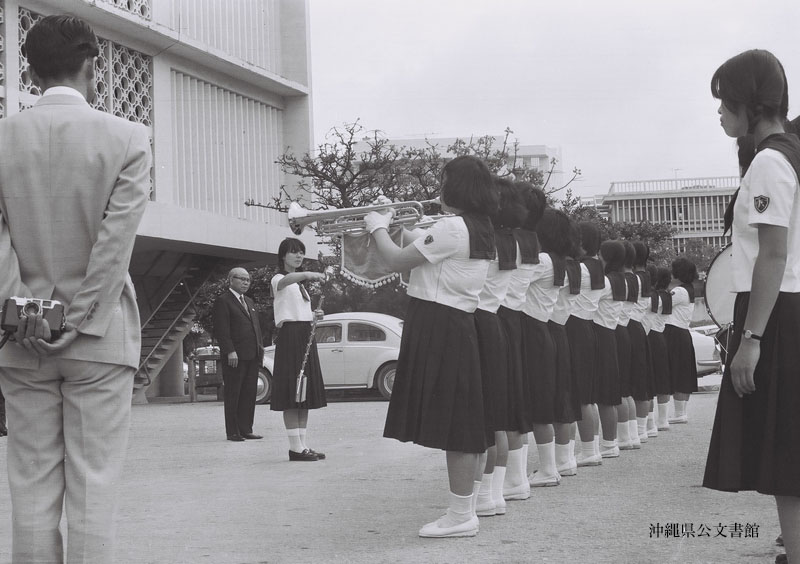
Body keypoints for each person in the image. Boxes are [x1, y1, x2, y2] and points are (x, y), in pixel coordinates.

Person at [0, 15, 151, 563]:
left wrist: (28, 316)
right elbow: (114, 244)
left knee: (31, 487)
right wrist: (79, 319)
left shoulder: (2, 138)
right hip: (99, 339)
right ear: (92, 66)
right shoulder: (128, 137)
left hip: (22, 341)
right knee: (94, 485)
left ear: (30, 72)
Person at [364, 154, 498, 538]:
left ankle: (461, 516)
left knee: (458, 424)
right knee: (466, 420)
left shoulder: (452, 227)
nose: (440, 188)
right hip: (455, 322)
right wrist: (400, 227)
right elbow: (427, 252)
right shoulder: (476, 227)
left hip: (440, 322)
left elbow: (395, 261)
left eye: (444, 181)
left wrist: (377, 226)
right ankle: (466, 508)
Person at [703, 48, 800, 564]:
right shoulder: (792, 151)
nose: (720, 112)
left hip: (777, 311)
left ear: (750, 103)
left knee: (787, 454)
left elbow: (772, 255)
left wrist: (751, 339)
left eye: (725, 102)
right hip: (786, 305)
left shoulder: (768, 161)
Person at [474, 177, 528, 518]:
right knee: (501, 416)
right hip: (501, 321)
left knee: (487, 417)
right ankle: (494, 494)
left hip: (483, 320)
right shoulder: (513, 240)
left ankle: (485, 496)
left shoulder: (486, 239)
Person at [270, 238, 328, 461]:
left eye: (301, 252)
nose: (299, 256)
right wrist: (309, 274)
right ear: (283, 256)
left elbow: (298, 311)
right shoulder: (279, 279)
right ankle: (295, 448)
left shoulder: (300, 286)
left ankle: (302, 445)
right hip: (290, 336)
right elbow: (286, 282)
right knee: (292, 392)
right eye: (294, 252)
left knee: (303, 393)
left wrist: (314, 315)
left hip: (305, 334)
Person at [568, 222, 606, 466]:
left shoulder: (580, 269)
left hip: (576, 328)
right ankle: (591, 447)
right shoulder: (597, 266)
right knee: (588, 396)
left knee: (580, 395)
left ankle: (588, 450)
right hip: (588, 326)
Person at [212, 268, 265, 442]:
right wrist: (230, 350)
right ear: (231, 280)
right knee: (234, 393)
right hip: (235, 356)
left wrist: (260, 348)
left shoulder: (249, 301)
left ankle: (246, 428)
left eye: (248, 280)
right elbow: (222, 329)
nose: (245, 282)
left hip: (252, 354)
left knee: (249, 393)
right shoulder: (223, 301)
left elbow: (255, 327)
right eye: (241, 279)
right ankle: (233, 431)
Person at [593, 240, 627, 458]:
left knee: (604, 395)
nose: (598, 258)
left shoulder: (605, 282)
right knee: (610, 394)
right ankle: (610, 442)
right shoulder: (620, 280)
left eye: (600, 254)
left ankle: (608, 444)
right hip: (610, 333)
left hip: (601, 334)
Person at [663, 257, 698, 423]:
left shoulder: (679, 291)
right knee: (683, 371)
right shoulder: (689, 289)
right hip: (683, 332)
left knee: (677, 370)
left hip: (674, 332)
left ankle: (679, 413)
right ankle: (681, 411)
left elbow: (662, 304)